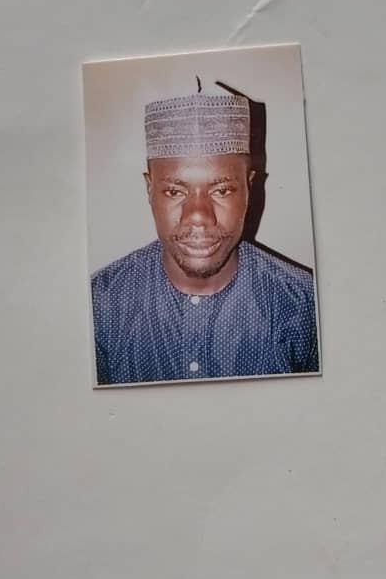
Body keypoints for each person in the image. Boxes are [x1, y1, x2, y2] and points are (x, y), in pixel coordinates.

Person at [91, 89, 319, 385]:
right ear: (149, 189)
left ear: (249, 188)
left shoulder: (304, 303)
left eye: (221, 190)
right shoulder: (101, 303)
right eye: (174, 191)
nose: (198, 216)